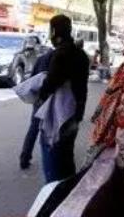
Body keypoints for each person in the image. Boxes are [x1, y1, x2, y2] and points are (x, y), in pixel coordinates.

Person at [37, 15, 90, 182]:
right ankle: (68, 191)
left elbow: (50, 83)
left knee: (53, 158)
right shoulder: (81, 54)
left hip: (60, 114)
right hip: (75, 113)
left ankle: (55, 194)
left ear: (54, 32)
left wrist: (41, 92)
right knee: (67, 158)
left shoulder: (61, 54)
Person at [18, 48, 53, 170]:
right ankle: (50, 159)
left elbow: (32, 79)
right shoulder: (60, 59)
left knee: (33, 128)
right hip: (52, 99)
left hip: (39, 99)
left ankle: (25, 157)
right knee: (50, 129)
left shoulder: (41, 59)